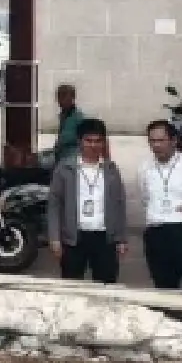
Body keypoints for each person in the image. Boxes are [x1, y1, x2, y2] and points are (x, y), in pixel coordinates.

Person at [48, 119, 126, 284]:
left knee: (106, 286)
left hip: (104, 237)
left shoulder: (111, 170)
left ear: (104, 143)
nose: (93, 145)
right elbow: (54, 204)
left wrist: (121, 238)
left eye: (98, 141)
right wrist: (55, 238)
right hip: (74, 237)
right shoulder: (65, 168)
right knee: (72, 287)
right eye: (88, 140)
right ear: (79, 141)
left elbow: (119, 204)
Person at [140, 117, 182, 290]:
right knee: (163, 286)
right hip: (156, 232)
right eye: (152, 141)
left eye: (161, 140)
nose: (156, 145)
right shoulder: (144, 168)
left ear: (173, 140)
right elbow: (145, 197)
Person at [50, 84, 86, 164]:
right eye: (58, 97)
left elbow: (81, 141)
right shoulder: (64, 115)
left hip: (72, 158)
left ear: (72, 98)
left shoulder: (78, 117)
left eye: (63, 96)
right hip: (61, 155)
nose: (59, 100)